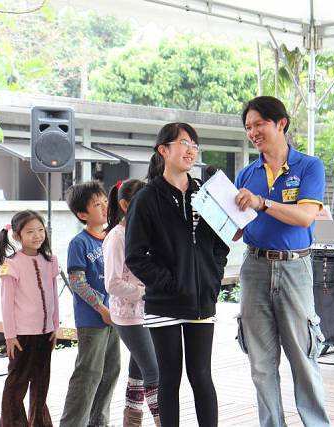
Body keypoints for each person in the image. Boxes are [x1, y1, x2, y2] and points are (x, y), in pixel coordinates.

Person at [234, 96, 330, 427]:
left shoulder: (309, 166)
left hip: (295, 267)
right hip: (254, 268)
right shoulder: (246, 174)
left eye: (259, 124)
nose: (253, 132)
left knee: (303, 356)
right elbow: (237, 228)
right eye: (248, 127)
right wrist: (219, 215)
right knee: (260, 363)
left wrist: (262, 203)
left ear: (281, 123)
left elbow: (305, 217)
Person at [125, 122, 229, 427]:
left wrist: (211, 278)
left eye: (194, 145)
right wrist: (170, 284)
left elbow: (221, 244)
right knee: (169, 378)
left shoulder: (206, 195)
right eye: (184, 143)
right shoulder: (146, 198)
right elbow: (135, 255)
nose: (190, 150)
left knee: (202, 376)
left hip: (201, 301)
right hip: (165, 304)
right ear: (163, 150)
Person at [60, 181, 121, 427]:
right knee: (88, 374)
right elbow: (77, 282)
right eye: (97, 204)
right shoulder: (79, 243)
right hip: (92, 320)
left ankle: (99, 423)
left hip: (115, 317)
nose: (105, 207)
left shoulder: (112, 236)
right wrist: (101, 308)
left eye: (105, 201)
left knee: (111, 371)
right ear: (82, 214)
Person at [103, 179, 160, 427]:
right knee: (154, 372)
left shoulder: (144, 233)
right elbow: (112, 283)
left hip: (145, 312)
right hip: (128, 316)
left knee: (138, 372)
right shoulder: (116, 237)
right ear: (125, 205)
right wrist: (144, 292)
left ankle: (131, 422)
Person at [0, 210, 59, 427]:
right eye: (30, 231)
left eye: (40, 230)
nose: (37, 235)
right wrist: (10, 336)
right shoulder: (11, 264)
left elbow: (54, 296)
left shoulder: (50, 260)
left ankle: (39, 422)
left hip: (46, 333)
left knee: (41, 384)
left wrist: (55, 326)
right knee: (16, 385)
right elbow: (6, 303)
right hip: (22, 335)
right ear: (17, 236)